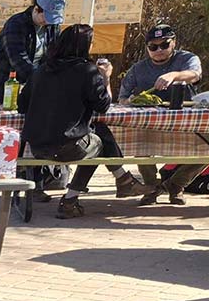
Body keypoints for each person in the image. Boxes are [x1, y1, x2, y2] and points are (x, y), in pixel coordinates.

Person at [18, 23, 138, 220]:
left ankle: (124, 180)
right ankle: (72, 199)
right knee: (100, 144)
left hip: (37, 146)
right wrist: (105, 78)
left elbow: (21, 105)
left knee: (99, 131)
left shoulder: (41, 70)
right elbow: (103, 106)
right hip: (67, 146)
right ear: (84, 46)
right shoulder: (87, 71)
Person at [118, 23, 209, 204]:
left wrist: (174, 75)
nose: (158, 50)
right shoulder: (137, 69)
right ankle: (151, 187)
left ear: (173, 43)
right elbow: (123, 98)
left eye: (164, 45)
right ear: (147, 48)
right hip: (149, 123)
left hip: (185, 118)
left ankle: (177, 184)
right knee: (140, 147)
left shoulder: (187, 59)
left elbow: (195, 74)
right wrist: (132, 101)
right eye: (153, 46)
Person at [0, 0, 64, 120]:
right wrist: (42, 81)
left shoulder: (53, 26)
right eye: (46, 17)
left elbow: (53, 56)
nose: (48, 22)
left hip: (26, 92)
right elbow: (18, 59)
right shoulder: (16, 23)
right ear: (36, 9)